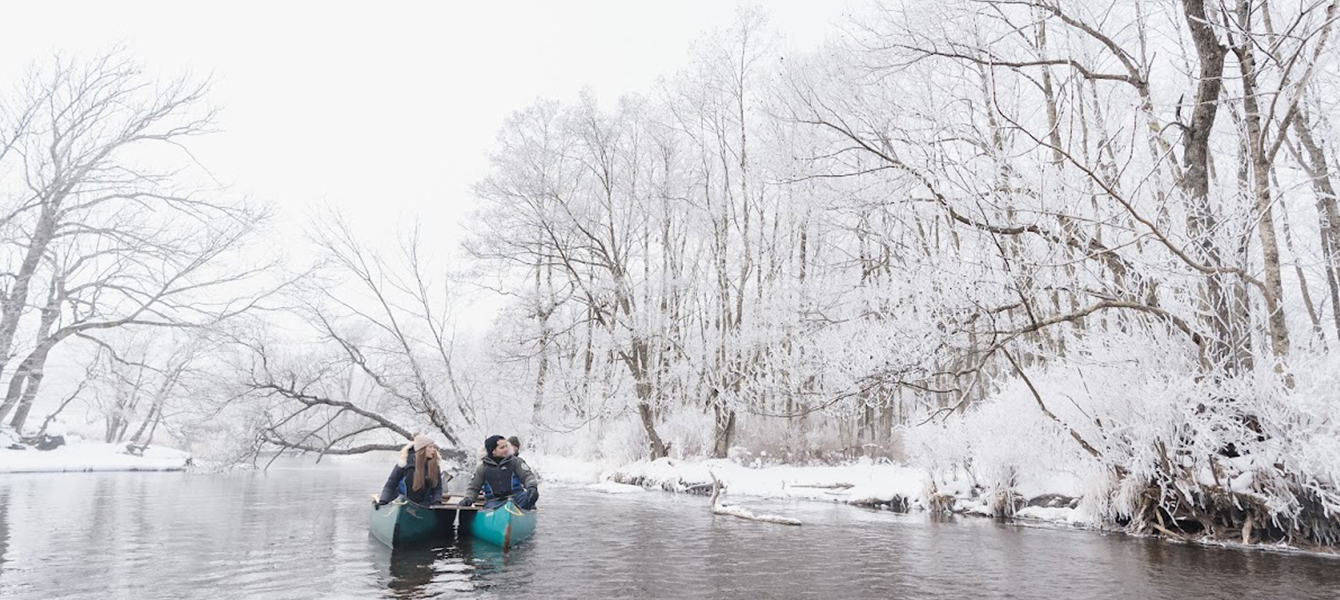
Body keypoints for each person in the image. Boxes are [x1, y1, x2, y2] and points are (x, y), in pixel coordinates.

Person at [458, 435, 539, 509]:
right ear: (493, 451)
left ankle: (522, 512)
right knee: (494, 507)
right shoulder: (482, 468)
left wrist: (532, 486)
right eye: (502, 447)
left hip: (517, 498)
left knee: (527, 497)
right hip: (494, 502)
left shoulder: (516, 462)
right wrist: (468, 498)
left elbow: (527, 476)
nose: (506, 449)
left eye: (506, 446)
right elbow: (473, 488)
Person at [376, 433, 444, 507]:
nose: (433, 450)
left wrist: (437, 502)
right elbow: (390, 486)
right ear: (422, 449)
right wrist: (383, 501)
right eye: (430, 447)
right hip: (403, 503)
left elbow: (437, 489)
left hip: (424, 505)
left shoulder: (434, 467)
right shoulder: (404, 464)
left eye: (434, 447)